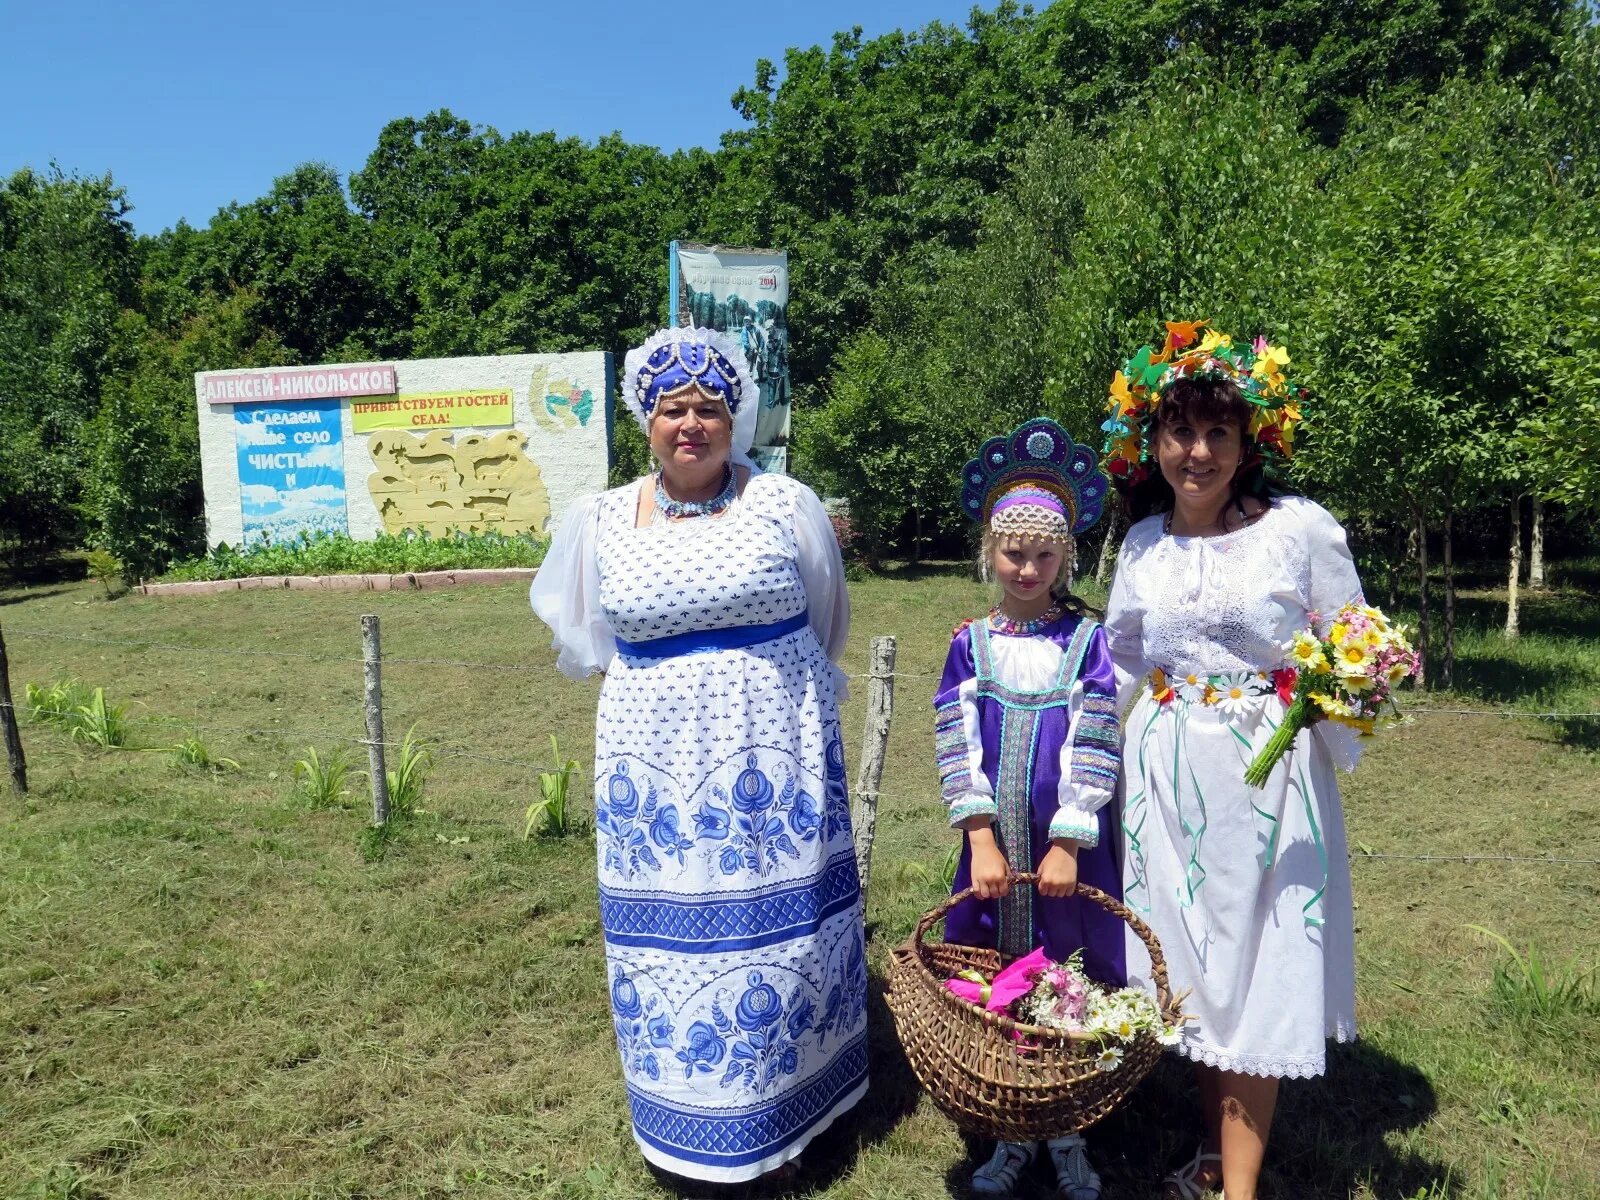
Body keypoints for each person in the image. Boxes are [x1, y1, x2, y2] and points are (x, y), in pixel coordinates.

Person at [529, 326, 867, 1184]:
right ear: (646, 420)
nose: (690, 425)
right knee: (672, 941)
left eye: (708, 409)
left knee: (776, 930)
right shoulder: (600, 518)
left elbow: (827, 619)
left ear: (735, 418)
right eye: (672, 409)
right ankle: (687, 1113)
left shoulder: (785, 503)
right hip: (656, 773)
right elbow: (590, 639)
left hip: (774, 750)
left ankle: (797, 1103)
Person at [1101, 323, 1362, 1200]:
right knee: (1197, 975)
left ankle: (1238, 1192)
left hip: (1267, 778)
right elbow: (1120, 662)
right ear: (1154, 442)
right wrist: (1067, 743)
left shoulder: (1298, 530)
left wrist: (1367, 677)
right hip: (1167, 782)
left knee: (1259, 969)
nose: (1198, 452)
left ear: (1251, 441)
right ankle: (1215, 1158)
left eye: (1219, 432)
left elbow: (1352, 642)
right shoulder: (1143, 545)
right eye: (1180, 431)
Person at [933, 418, 1123, 1200]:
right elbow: (954, 740)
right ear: (989, 551)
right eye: (1013, 551)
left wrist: (1070, 841)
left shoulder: (1088, 641)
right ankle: (1013, 1127)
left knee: (1070, 975)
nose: (1027, 567)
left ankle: (1069, 1128)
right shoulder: (970, 643)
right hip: (995, 849)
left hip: (1063, 853)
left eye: (1044, 554)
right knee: (1000, 976)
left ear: (1066, 556)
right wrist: (980, 838)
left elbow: (1096, 737)